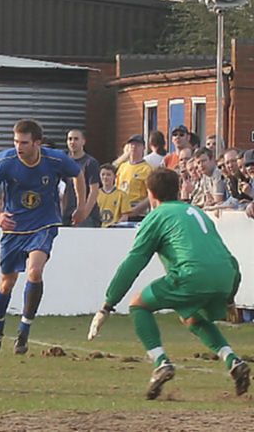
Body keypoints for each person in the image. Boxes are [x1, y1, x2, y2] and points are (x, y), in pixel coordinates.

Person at [87, 168, 250, 399]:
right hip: (226, 275)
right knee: (192, 317)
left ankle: (161, 363)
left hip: (192, 275)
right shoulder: (197, 211)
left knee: (138, 305)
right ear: (177, 190)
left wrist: (107, 304)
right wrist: (231, 297)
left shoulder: (156, 216)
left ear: (150, 193)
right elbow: (227, 257)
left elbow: (134, 262)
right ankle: (233, 361)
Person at [0, 119, 87, 356]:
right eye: (16, 141)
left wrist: (80, 206)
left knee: (35, 271)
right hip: (14, 227)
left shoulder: (55, 159)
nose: (19, 146)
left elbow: (78, 174)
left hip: (44, 223)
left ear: (37, 143)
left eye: (24, 142)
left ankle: (24, 330)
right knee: (7, 282)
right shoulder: (5, 161)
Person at [63, 129, 101, 227]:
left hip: (87, 217)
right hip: (67, 215)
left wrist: (84, 214)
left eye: (76, 139)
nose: (72, 142)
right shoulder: (64, 162)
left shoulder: (90, 162)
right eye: (70, 139)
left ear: (83, 142)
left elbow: (94, 191)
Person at [116, 135, 153, 219]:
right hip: (121, 208)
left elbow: (151, 194)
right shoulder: (122, 167)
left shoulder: (147, 169)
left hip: (138, 209)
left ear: (143, 148)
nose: (134, 147)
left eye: (137, 145)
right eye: (131, 144)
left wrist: (136, 210)